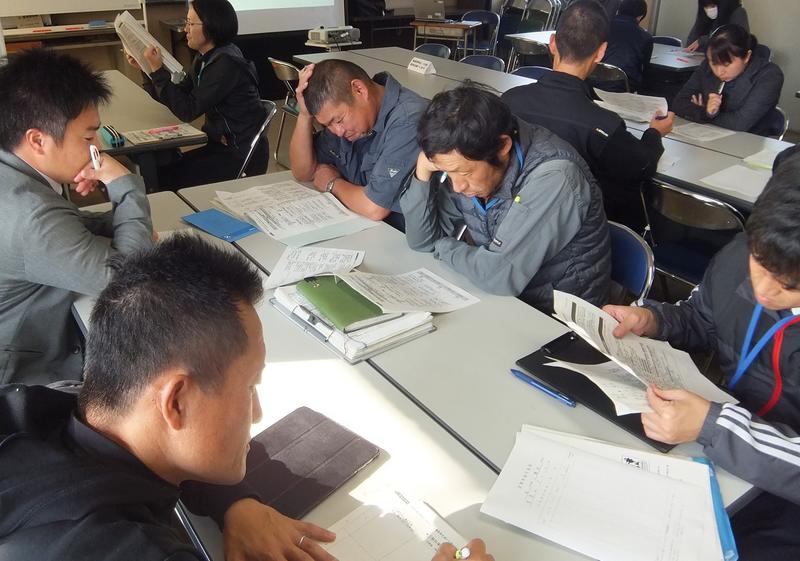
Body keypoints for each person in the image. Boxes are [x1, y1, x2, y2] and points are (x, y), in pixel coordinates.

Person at [0, 233, 496, 561]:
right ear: (175, 402)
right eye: (250, 388)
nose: (257, 414)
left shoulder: (57, 406)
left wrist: (235, 500)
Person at [603, 155, 800, 560]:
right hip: (721, 442)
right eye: (759, 263)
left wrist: (714, 426)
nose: (763, 291)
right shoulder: (740, 256)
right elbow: (702, 318)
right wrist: (653, 320)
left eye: (790, 286)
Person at [0, 48, 152, 386]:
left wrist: (122, 223)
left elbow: (66, 225)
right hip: (25, 377)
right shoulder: (32, 216)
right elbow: (131, 282)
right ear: (38, 140)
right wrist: (124, 186)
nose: (98, 146)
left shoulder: (12, 170)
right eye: (88, 136)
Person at [401, 84, 611, 312]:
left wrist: (444, 247)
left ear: (502, 146)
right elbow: (422, 242)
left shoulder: (555, 177)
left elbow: (498, 276)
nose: (457, 187)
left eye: (464, 173)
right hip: (505, 301)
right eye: (447, 173)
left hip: (555, 316)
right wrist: (423, 172)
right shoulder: (466, 160)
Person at [501, 0, 673, 231]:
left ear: (552, 43)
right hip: (577, 229)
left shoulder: (509, 100)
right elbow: (642, 166)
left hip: (512, 217)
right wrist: (654, 133)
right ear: (601, 52)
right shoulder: (603, 124)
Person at [128, 0, 267, 189]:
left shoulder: (226, 64)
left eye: (190, 23)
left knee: (162, 178)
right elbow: (176, 97)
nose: (185, 29)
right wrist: (148, 69)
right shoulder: (204, 58)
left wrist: (158, 72)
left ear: (211, 25)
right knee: (160, 171)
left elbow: (187, 110)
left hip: (238, 155)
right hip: (219, 145)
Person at [290, 59, 428, 230]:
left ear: (359, 90)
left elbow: (375, 208)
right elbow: (303, 172)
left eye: (338, 120)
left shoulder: (408, 120)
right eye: (327, 125)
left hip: (399, 234)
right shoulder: (347, 118)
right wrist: (305, 115)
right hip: (364, 226)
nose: (338, 132)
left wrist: (332, 183)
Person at [672, 24, 783, 136]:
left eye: (726, 64)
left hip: (748, 141)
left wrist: (706, 114)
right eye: (714, 63)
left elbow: (739, 124)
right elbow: (678, 103)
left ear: (747, 56)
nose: (719, 71)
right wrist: (705, 112)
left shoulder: (769, 75)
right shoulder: (707, 65)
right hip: (704, 136)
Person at [603, 0, 653, 93]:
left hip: (593, 80)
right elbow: (645, 68)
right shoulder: (645, 37)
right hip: (624, 85)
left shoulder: (602, 27)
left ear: (619, 10)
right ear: (640, 17)